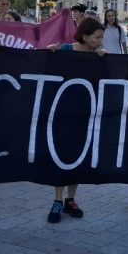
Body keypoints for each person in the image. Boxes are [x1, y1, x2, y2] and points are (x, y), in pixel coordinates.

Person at [47, 17, 105, 223]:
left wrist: (104, 61)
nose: (100, 41)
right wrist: (50, 53)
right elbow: (48, 68)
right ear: (85, 36)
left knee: (78, 156)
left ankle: (71, 199)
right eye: (97, 37)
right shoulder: (65, 51)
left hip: (86, 114)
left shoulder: (99, 56)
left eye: (101, 37)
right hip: (63, 113)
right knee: (61, 154)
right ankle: (57, 200)